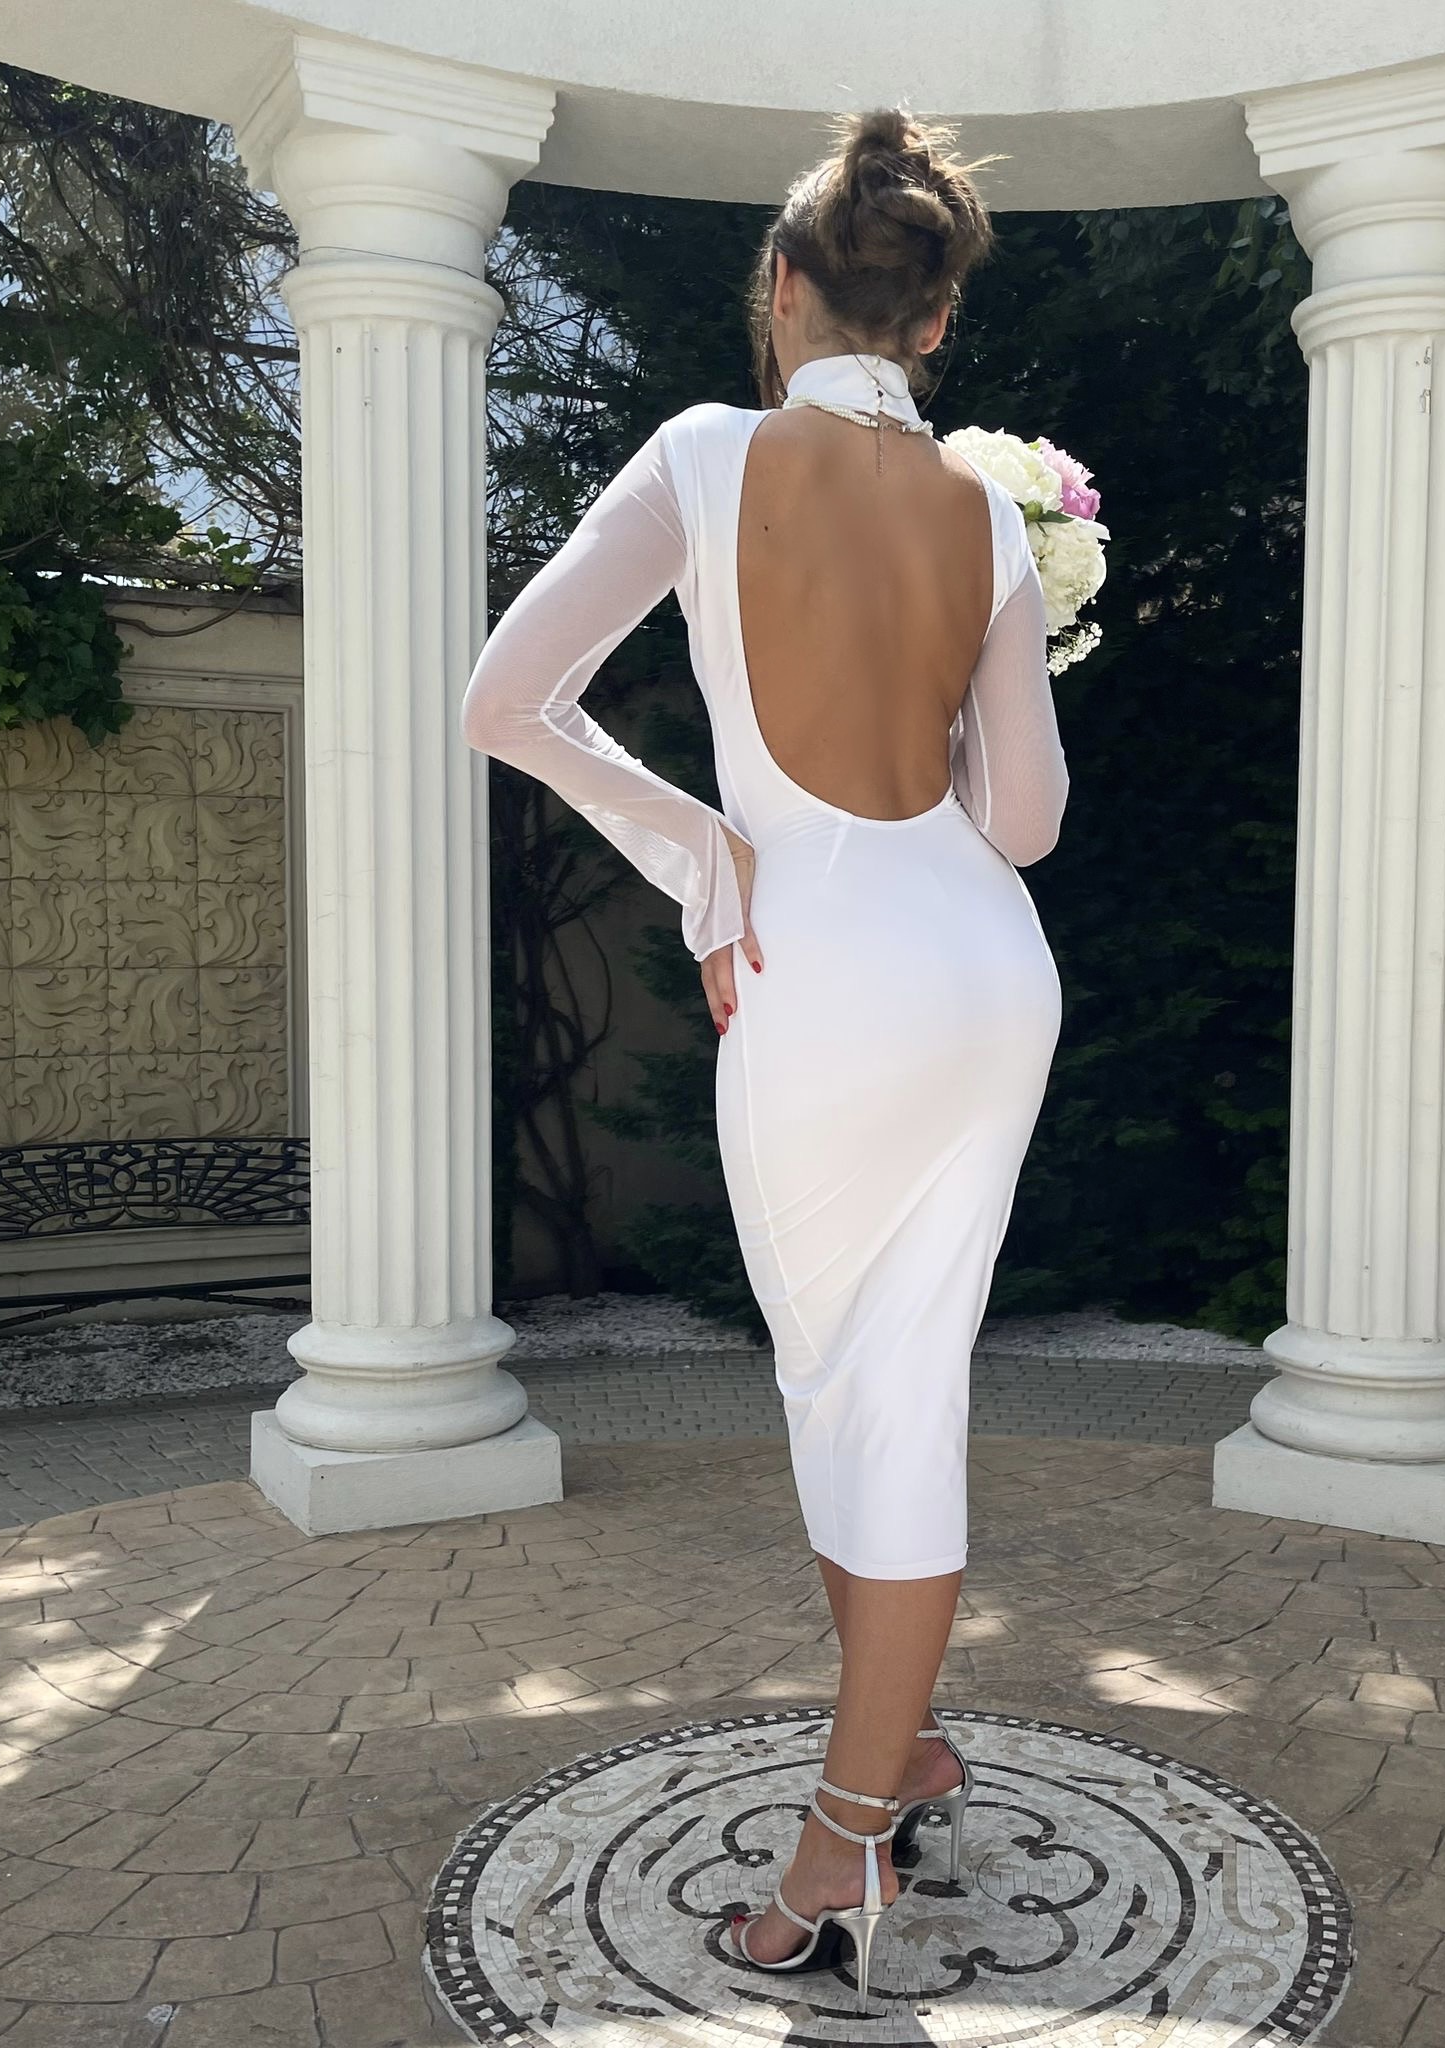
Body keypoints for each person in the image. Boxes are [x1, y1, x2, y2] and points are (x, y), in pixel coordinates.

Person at [459, 105, 1068, 2014]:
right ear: (936, 323)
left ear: (784, 288)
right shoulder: (989, 513)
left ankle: (843, 1838)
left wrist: (705, 855)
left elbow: (505, 700)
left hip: (825, 977)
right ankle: (904, 1750)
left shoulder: (706, 453)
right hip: (988, 972)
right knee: (887, 1387)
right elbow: (1026, 820)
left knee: (862, 1395)